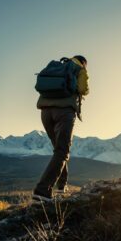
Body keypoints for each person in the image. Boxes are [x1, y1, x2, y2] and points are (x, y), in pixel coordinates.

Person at [33, 55, 89, 201]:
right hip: (64, 112)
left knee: (59, 150)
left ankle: (61, 186)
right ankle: (42, 190)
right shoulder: (80, 69)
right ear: (84, 63)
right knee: (62, 151)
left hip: (45, 112)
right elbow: (83, 89)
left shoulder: (57, 66)